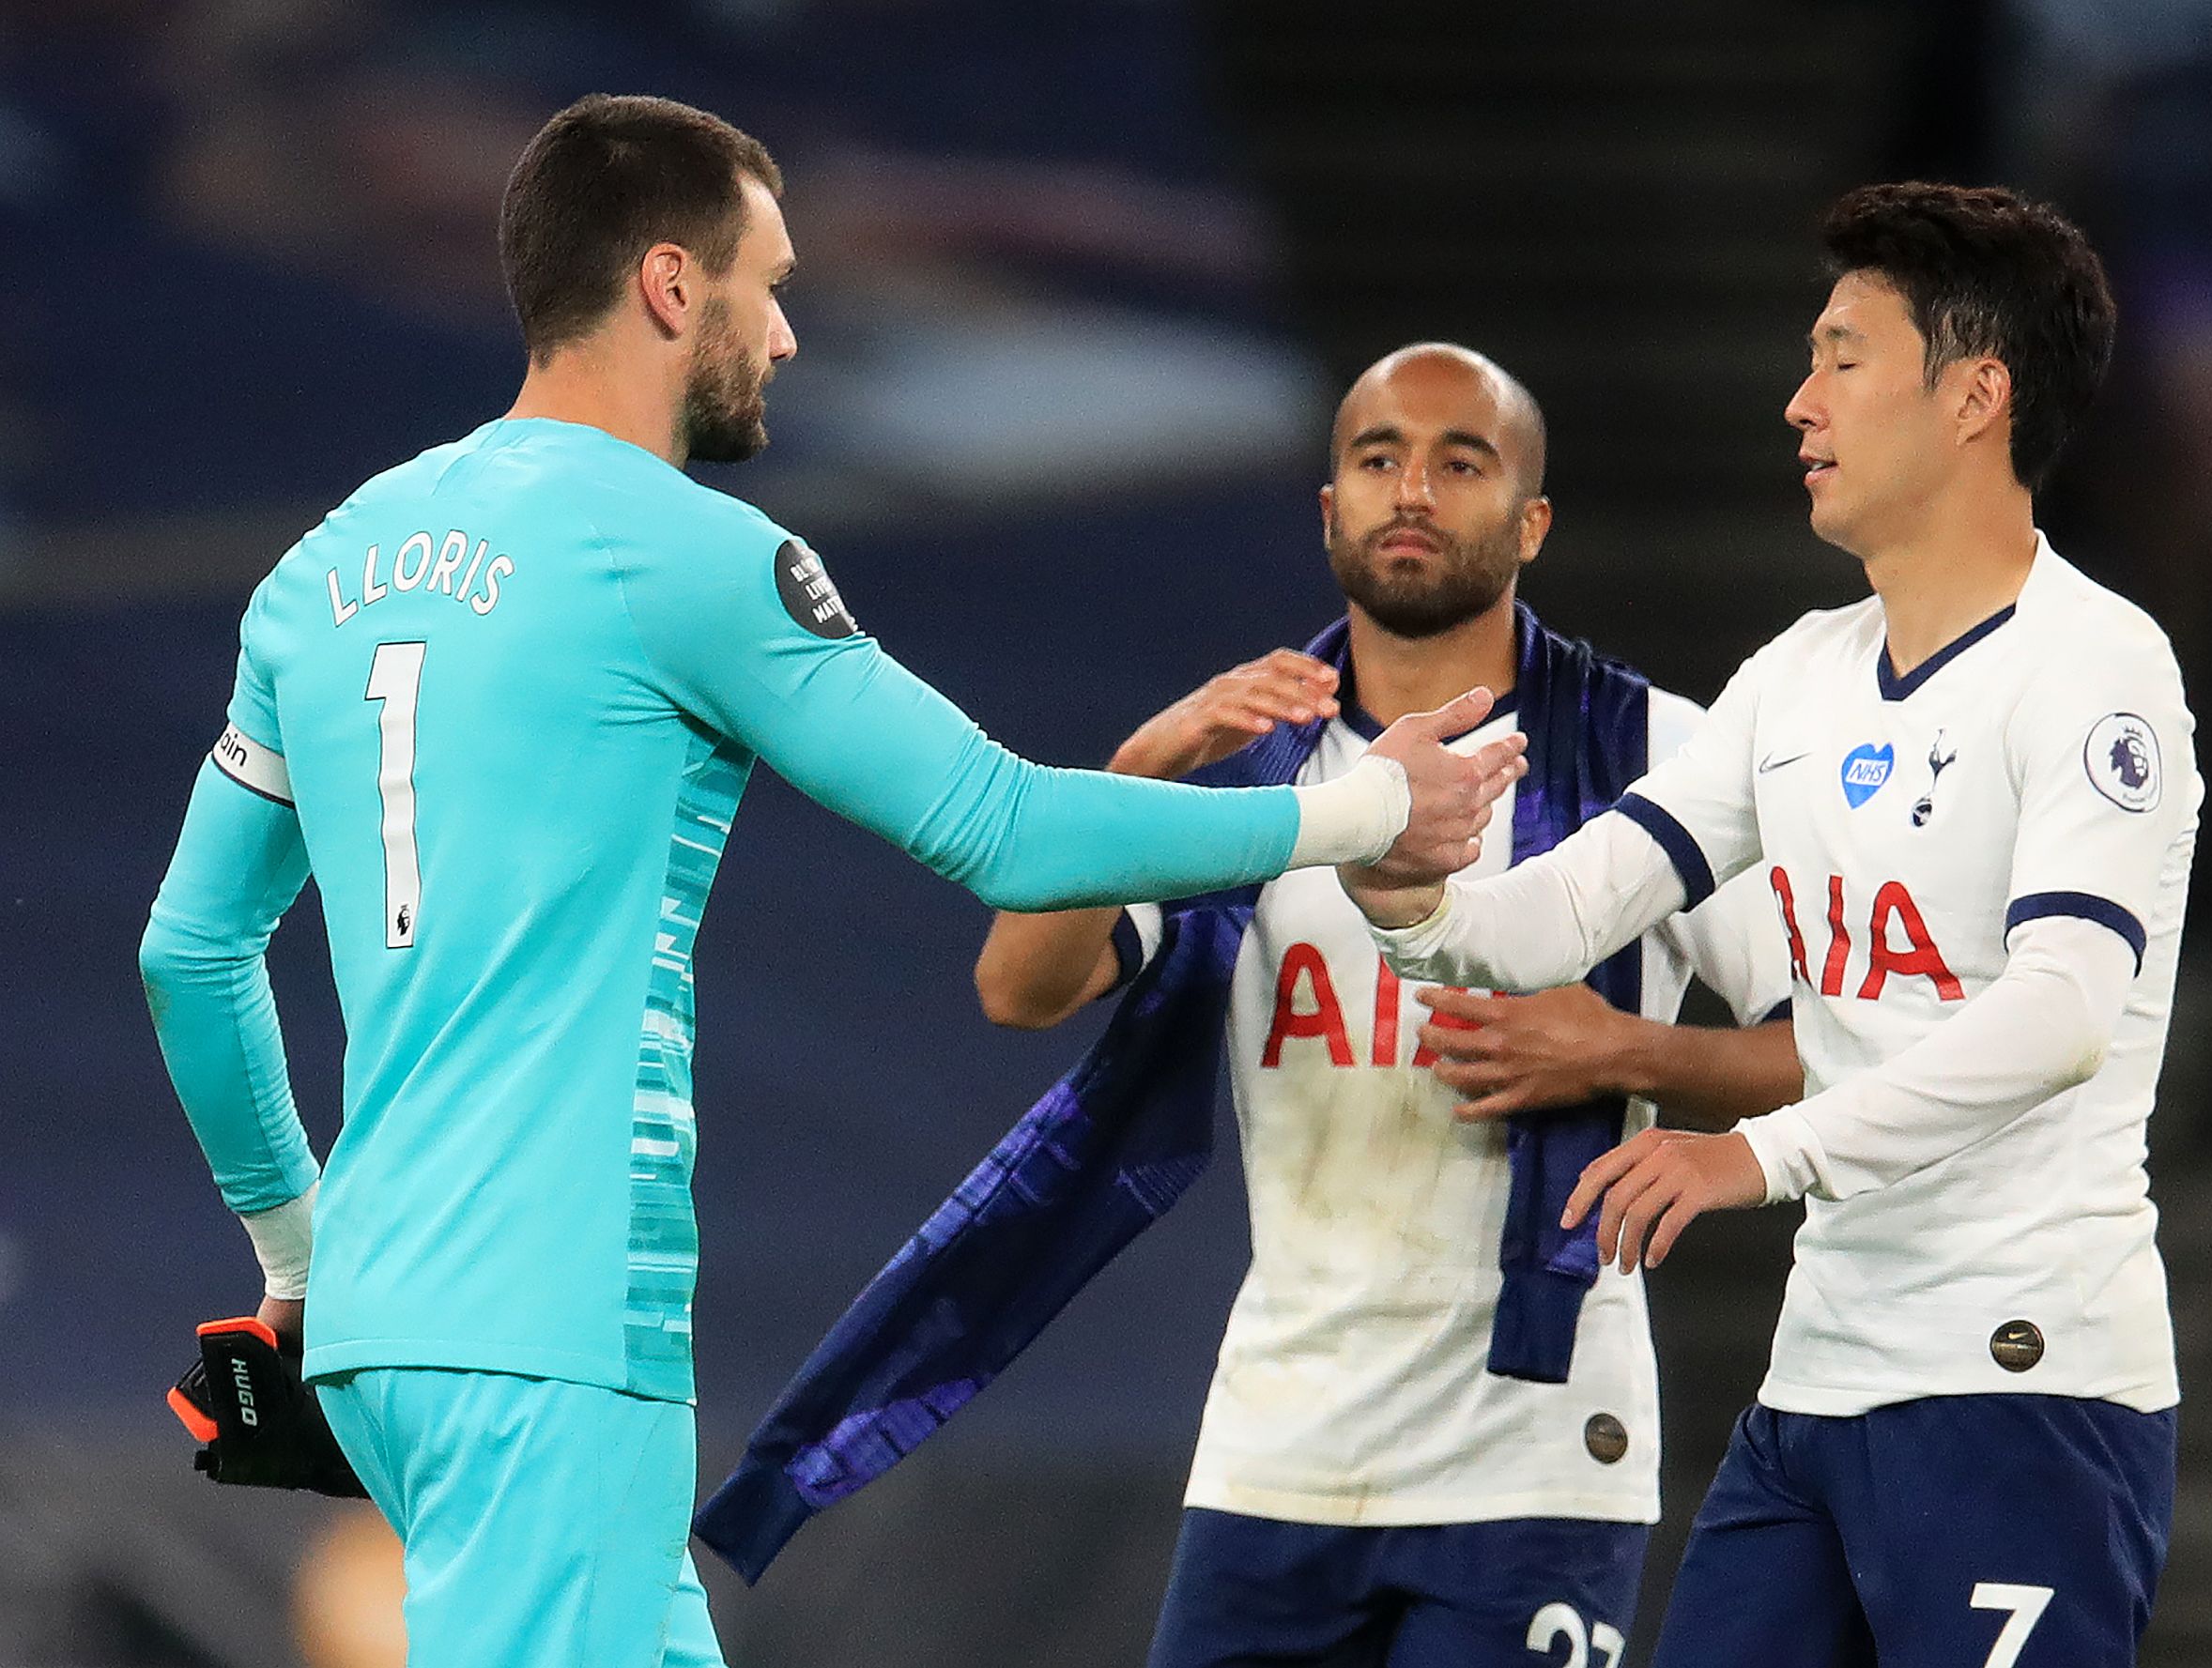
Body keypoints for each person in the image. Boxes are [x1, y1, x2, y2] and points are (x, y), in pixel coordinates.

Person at [135, 95, 1520, 1668]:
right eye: (769, 284)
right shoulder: (682, 555)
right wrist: (1362, 811)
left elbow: (192, 952)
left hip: (391, 1329)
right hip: (545, 1316)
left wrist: (301, 1254)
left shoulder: (326, 565)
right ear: (672, 284)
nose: (788, 333)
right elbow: (1001, 827)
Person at [1340, 185, 2201, 1667]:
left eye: (1842, 357)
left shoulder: (2095, 667)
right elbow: (1575, 900)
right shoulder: (1798, 673)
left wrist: (1757, 1152)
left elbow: (2061, 1011)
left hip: (2021, 1382)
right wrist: (1404, 887)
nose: (1799, 402)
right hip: (1814, 1389)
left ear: (1974, 396)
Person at [971, 342, 1801, 1668]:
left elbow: (1835, 1047)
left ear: (1530, 522)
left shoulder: (1659, 749)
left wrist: (1624, 1049)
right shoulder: (1246, 766)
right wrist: (1141, 764)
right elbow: (1020, 985)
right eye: (1377, 458)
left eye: (1459, 462)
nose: (1411, 489)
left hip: (1534, 1452)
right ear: (1328, 509)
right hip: (1278, 1448)